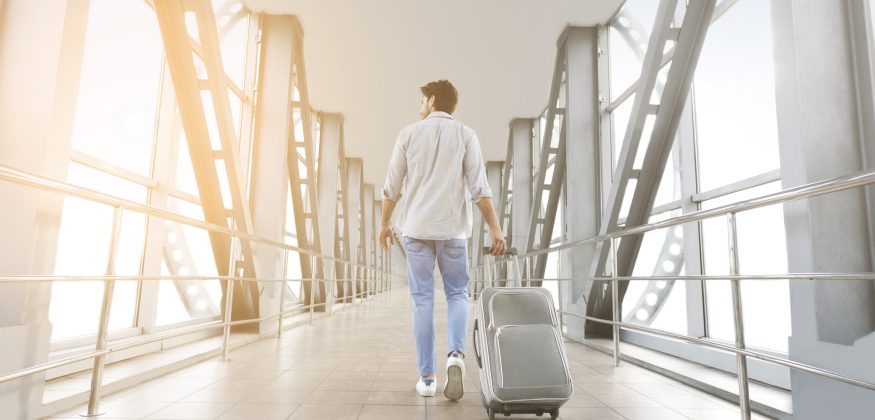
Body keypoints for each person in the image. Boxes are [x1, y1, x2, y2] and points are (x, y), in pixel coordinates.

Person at [379, 79, 507, 400]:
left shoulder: (408, 134)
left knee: (422, 300)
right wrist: (495, 228)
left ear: (432, 100)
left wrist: (384, 224)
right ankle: (456, 356)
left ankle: (427, 379)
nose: (420, 107)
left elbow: (391, 188)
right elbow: (480, 188)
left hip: (416, 231)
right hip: (452, 231)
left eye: (422, 101)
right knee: (457, 295)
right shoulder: (466, 135)